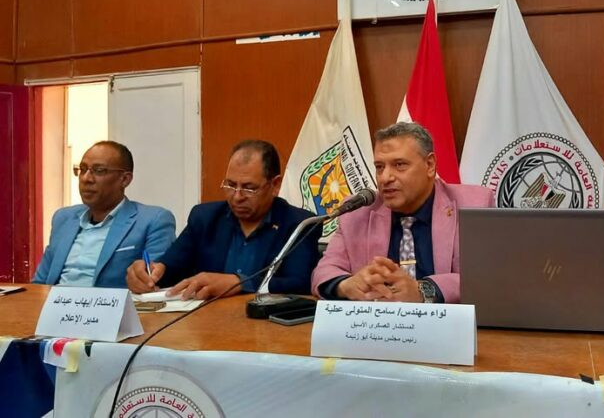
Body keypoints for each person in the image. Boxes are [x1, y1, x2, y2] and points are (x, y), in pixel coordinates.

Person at [311, 122, 494, 304]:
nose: (385, 178)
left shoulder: (474, 205)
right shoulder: (357, 212)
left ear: (430, 165)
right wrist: (346, 285)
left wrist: (423, 290)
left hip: (448, 321)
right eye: (379, 167)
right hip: (378, 321)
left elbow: (485, 278)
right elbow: (324, 271)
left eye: (399, 165)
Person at [127, 140, 322, 300]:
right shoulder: (205, 217)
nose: (237, 197)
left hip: (265, 325)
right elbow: (172, 267)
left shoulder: (300, 224)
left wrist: (240, 282)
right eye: (230, 185)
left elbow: (300, 283)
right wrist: (151, 273)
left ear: (275, 185)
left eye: (249, 188)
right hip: (204, 323)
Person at [33, 141, 176, 287]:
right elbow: (39, 283)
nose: (86, 179)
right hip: (55, 299)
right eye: (82, 169)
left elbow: (153, 281)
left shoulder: (153, 220)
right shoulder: (64, 218)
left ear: (125, 179)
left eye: (99, 170)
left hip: (107, 301)